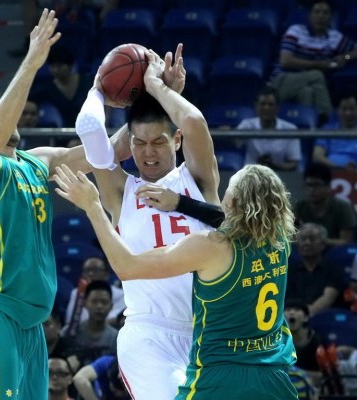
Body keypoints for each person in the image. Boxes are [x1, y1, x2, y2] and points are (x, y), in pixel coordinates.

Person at [0, 10, 127, 399]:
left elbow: (108, 151)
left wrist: (147, 97)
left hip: (32, 319)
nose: (8, 112)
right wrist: (31, 62)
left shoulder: (37, 160)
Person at [54, 163, 300, 399]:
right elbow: (235, 220)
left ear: (232, 203)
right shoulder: (280, 241)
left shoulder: (210, 246)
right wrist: (181, 203)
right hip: (274, 375)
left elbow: (126, 266)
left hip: (221, 378)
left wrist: (93, 207)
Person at [72, 45, 220, 399]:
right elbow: (90, 127)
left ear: (177, 140)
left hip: (208, 334)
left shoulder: (198, 180)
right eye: (139, 143)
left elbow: (195, 121)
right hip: (148, 334)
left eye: (158, 141)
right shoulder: (119, 191)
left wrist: (158, 88)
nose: (148, 152)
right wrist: (97, 88)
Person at [269, 0, 357, 126]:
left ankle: (310, 134)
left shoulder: (334, 37)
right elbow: (285, 61)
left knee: (307, 93)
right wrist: (321, 65)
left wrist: (345, 57)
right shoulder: (296, 31)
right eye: (317, 12)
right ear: (309, 16)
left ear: (331, 17)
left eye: (325, 13)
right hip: (280, 82)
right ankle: (330, 120)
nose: (320, 16)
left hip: (308, 86)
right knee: (317, 75)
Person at [286, 223, 348, 315]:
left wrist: (305, 314)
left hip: (324, 317)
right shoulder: (290, 269)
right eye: (303, 239)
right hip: (293, 316)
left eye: (312, 239)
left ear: (323, 244)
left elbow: (327, 299)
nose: (307, 243)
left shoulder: (333, 269)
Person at [238, 86, 302, 171]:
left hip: (278, 175)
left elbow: (293, 164)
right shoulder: (247, 125)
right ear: (256, 106)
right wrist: (228, 131)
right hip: (250, 176)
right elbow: (236, 141)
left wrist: (273, 165)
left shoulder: (290, 129)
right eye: (263, 104)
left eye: (270, 104)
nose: (266, 108)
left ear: (277, 107)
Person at [30, 44, 94, 128]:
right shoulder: (47, 88)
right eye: (53, 66)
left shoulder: (88, 82)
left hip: (89, 127)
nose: (56, 70)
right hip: (61, 133)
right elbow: (29, 100)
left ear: (70, 66)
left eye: (60, 66)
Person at [294, 162, 357, 246]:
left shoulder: (342, 207)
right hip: (306, 249)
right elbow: (292, 237)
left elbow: (346, 242)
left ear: (328, 188)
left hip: (334, 251)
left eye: (317, 185)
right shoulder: (300, 207)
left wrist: (317, 242)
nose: (312, 189)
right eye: (308, 185)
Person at [64, 280, 118, 366]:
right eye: (94, 301)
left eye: (104, 302)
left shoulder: (117, 338)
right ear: (84, 303)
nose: (99, 306)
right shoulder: (70, 331)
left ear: (111, 306)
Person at [64, 255, 125, 330]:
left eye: (95, 270)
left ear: (106, 274)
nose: (91, 274)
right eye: (87, 270)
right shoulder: (77, 292)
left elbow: (116, 319)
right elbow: (71, 320)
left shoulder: (120, 294)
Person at [285, 300, 324, 387]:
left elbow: (324, 375)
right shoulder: (277, 341)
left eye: (297, 310)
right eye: (288, 310)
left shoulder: (316, 340)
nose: (291, 312)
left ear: (306, 317)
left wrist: (299, 374)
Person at [312, 94, 357, 170]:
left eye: (352, 109)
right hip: (332, 172)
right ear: (338, 111)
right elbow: (316, 156)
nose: (348, 113)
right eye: (344, 109)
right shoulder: (328, 130)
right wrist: (340, 168)